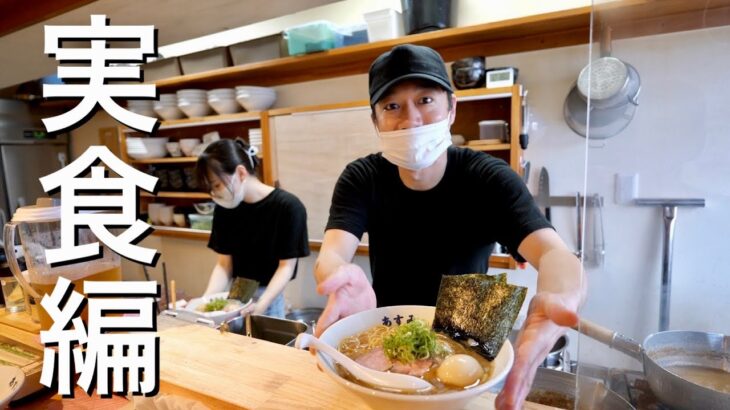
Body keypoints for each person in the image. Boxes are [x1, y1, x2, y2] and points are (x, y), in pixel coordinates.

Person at [313, 44, 585, 409]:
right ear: (375, 120)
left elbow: (554, 253)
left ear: (451, 108)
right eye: (392, 106)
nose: (411, 119)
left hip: (473, 321)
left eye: (425, 100)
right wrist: (338, 273)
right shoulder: (363, 177)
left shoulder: (488, 177)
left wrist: (561, 294)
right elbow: (333, 252)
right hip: (391, 321)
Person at [197, 138, 309, 318]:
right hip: (236, 296)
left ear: (240, 173)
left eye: (217, 185)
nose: (215, 194)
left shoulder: (288, 207)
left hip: (269, 298)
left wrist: (261, 305)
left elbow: (286, 267)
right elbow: (224, 265)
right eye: (211, 189)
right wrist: (205, 303)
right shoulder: (226, 208)